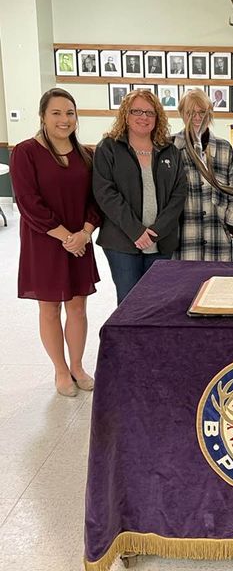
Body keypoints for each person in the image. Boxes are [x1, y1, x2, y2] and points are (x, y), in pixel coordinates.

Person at [10, 88, 100, 397]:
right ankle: (60, 371)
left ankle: (77, 366)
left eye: (70, 113)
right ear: (43, 116)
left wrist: (84, 234)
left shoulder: (86, 154)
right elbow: (28, 202)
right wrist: (66, 238)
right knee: (49, 308)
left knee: (78, 307)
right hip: (46, 242)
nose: (64, 119)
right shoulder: (25, 152)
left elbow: (95, 200)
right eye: (57, 113)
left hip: (80, 241)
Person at [93, 90, 187, 304]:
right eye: (137, 111)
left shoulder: (169, 150)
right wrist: (136, 231)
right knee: (129, 302)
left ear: (157, 118)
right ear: (126, 115)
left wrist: (156, 231)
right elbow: (105, 193)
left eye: (150, 112)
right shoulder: (108, 148)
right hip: (122, 242)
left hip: (161, 241)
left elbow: (179, 194)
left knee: (156, 302)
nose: (143, 117)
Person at [173, 89, 233, 261]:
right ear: (182, 114)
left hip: (217, 236)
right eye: (190, 112)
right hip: (183, 236)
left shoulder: (224, 148)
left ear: (210, 113)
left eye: (202, 112)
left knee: (218, 284)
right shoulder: (171, 147)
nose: (197, 118)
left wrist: (230, 223)